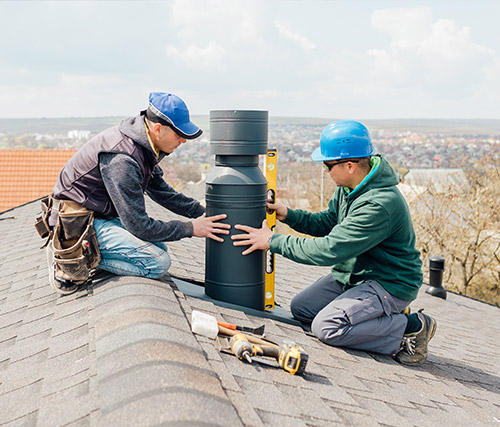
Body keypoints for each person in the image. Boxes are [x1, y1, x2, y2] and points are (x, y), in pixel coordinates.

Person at [231, 120, 436, 366]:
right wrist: (288, 214)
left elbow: (330, 250)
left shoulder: (379, 204)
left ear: (349, 165)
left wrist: (273, 241)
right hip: (356, 276)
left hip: (389, 283)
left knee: (327, 327)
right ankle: (376, 317)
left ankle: (410, 327)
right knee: (302, 308)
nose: (325, 171)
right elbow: (328, 222)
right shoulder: (350, 187)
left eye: (328, 165)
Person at [47, 92, 230, 295]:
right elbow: (139, 226)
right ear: (158, 129)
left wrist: (200, 212)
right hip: (76, 224)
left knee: (159, 246)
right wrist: (190, 228)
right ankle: (72, 257)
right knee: (157, 262)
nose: (183, 141)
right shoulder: (122, 160)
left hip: (98, 216)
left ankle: (88, 252)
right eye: (179, 134)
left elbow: (162, 192)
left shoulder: (143, 145)